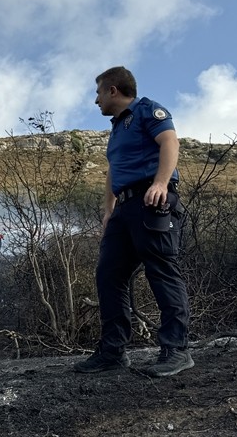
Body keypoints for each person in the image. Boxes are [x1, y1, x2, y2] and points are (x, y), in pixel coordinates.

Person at [73, 66, 194, 377]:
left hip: (151, 202)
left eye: (98, 92)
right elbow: (114, 171)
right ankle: (113, 352)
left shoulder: (146, 110)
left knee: (162, 270)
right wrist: (108, 210)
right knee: (108, 274)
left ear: (113, 90)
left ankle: (176, 351)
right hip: (123, 210)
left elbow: (170, 143)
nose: (96, 100)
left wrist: (161, 183)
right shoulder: (117, 128)